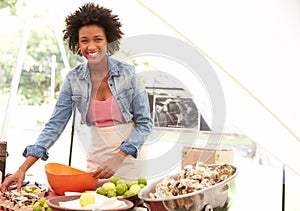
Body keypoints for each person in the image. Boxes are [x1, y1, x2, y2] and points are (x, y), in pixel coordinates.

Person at [0, 2, 152, 193]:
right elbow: (55, 124)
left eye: (98, 39)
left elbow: (145, 123)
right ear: (77, 43)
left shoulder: (129, 74)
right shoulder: (73, 79)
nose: (91, 46)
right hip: (97, 159)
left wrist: (119, 157)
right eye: (84, 41)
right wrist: (22, 168)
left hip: (130, 158)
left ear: (108, 41)